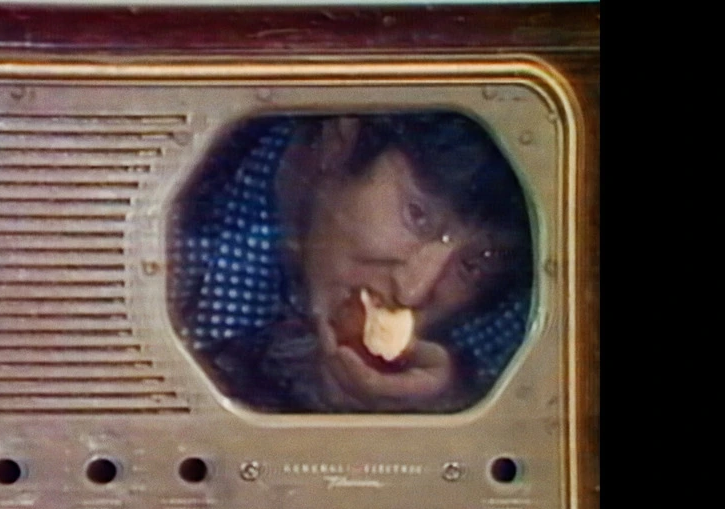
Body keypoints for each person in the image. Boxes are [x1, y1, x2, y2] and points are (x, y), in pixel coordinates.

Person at [168, 112, 533, 414]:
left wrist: (452, 405)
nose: (413, 291)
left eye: (476, 262)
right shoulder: (175, 238)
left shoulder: (514, 312)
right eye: (417, 216)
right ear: (340, 141)